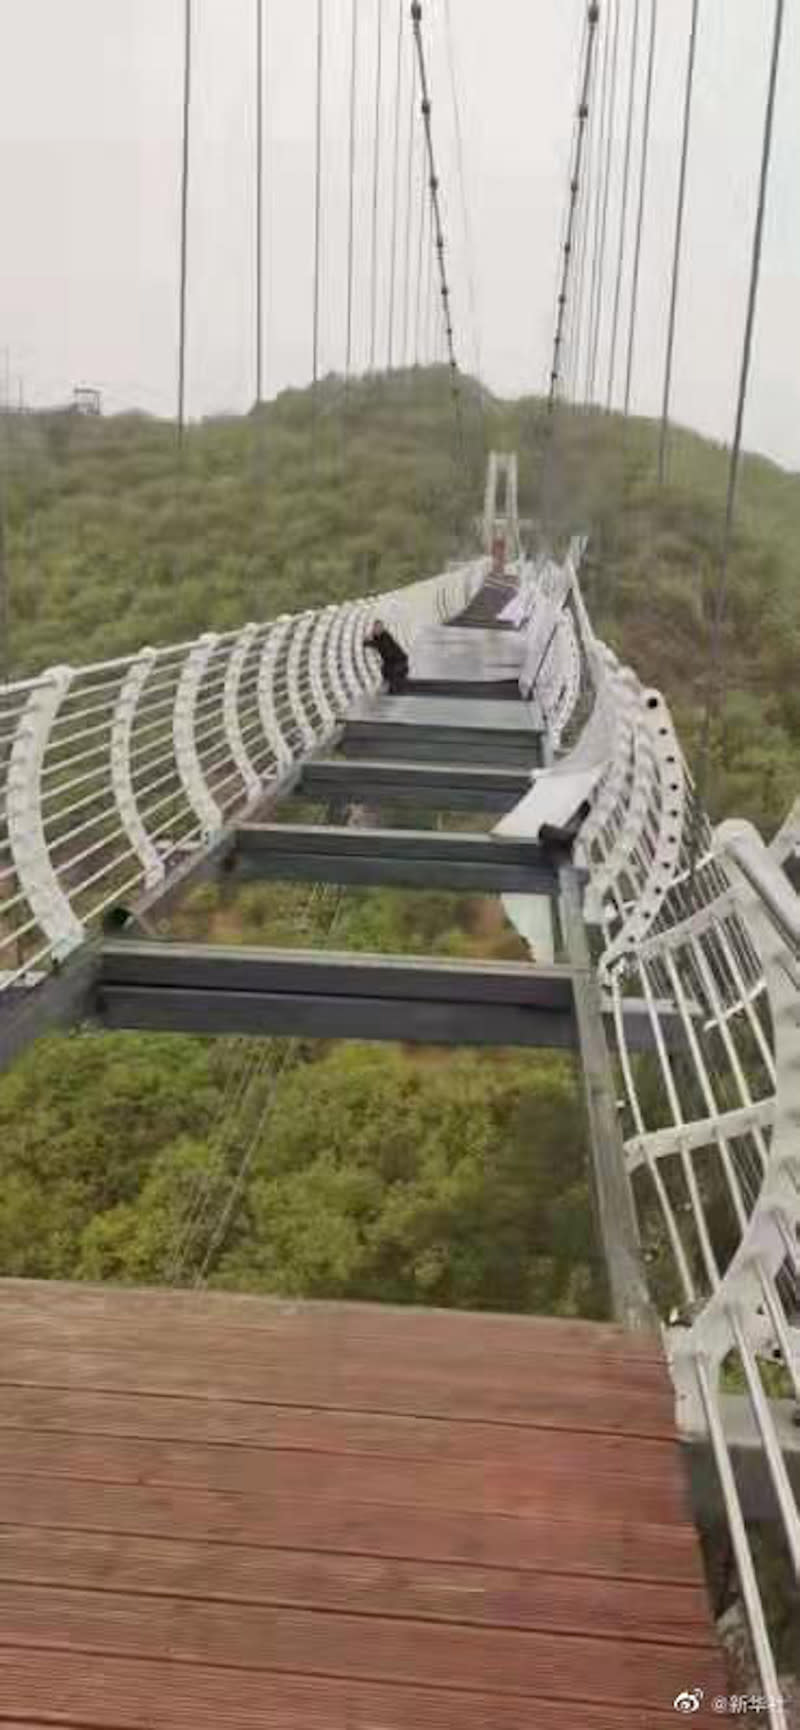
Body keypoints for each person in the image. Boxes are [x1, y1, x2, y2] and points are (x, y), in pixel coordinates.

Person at [365, 619, 409, 693]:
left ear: (382, 628)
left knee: (389, 673)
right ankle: (391, 688)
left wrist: (370, 641)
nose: (377, 630)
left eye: (379, 628)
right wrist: (369, 640)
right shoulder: (378, 637)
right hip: (394, 663)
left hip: (399, 663)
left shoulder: (385, 636)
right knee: (385, 670)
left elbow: (382, 646)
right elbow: (369, 643)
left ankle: (394, 688)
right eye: (375, 628)